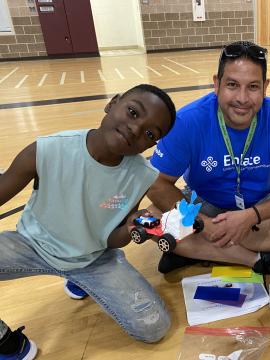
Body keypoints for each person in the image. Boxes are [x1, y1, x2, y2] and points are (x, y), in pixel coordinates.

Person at [0, 84, 176, 359]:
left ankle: (83, 281)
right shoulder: (46, 150)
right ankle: (5, 341)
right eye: (132, 112)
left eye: (150, 134)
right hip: (31, 245)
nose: (135, 129)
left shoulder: (142, 175)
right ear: (112, 103)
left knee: (154, 326)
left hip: (93, 259)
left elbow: (110, 237)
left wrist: (131, 227)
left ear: (152, 145)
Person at [147, 41, 270, 289]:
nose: (242, 98)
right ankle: (258, 259)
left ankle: (189, 250)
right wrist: (202, 224)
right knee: (147, 219)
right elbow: (157, 185)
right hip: (203, 206)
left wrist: (250, 216)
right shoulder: (187, 120)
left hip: (260, 208)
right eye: (232, 85)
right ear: (216, 84)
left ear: (265, 88)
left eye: (252, 87)